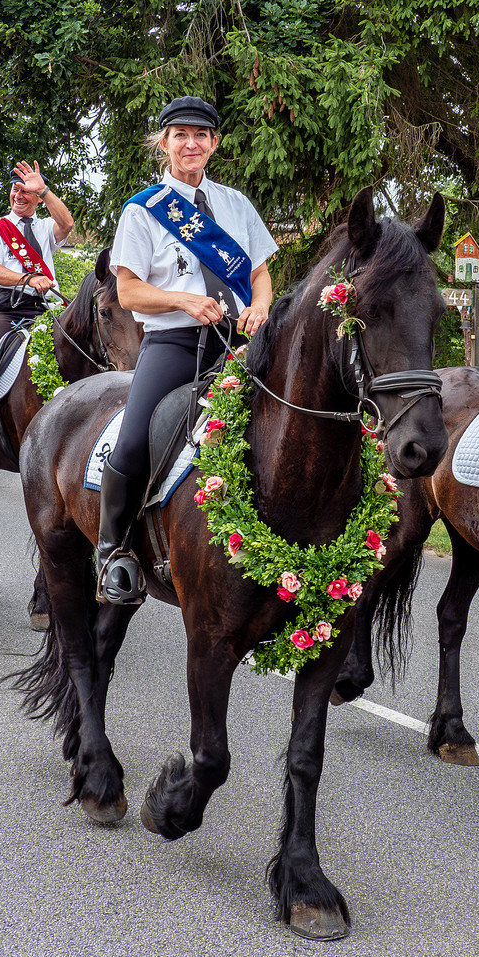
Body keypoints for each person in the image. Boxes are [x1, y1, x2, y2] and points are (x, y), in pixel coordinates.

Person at [94, 96, 277, 604]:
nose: (191, 144)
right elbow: (127, 291)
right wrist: (183, 301)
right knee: (135, 438)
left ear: (214, 144)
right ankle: (113, 551)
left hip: (241, 340)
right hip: (174, 341)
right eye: (180, 135)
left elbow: (260, 274)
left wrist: (260, 306)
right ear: (164, 144)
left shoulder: (236, 204)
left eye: (201, 135)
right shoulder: (143, 210)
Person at [0, 161, 75, 454]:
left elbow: (68, 224)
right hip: (7, 309)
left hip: (44, 309)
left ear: (37, 197)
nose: (19, 195)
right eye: (15, 189)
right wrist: (28, 277)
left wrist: (46, 191)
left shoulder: (45, 227)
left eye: (27, 191)